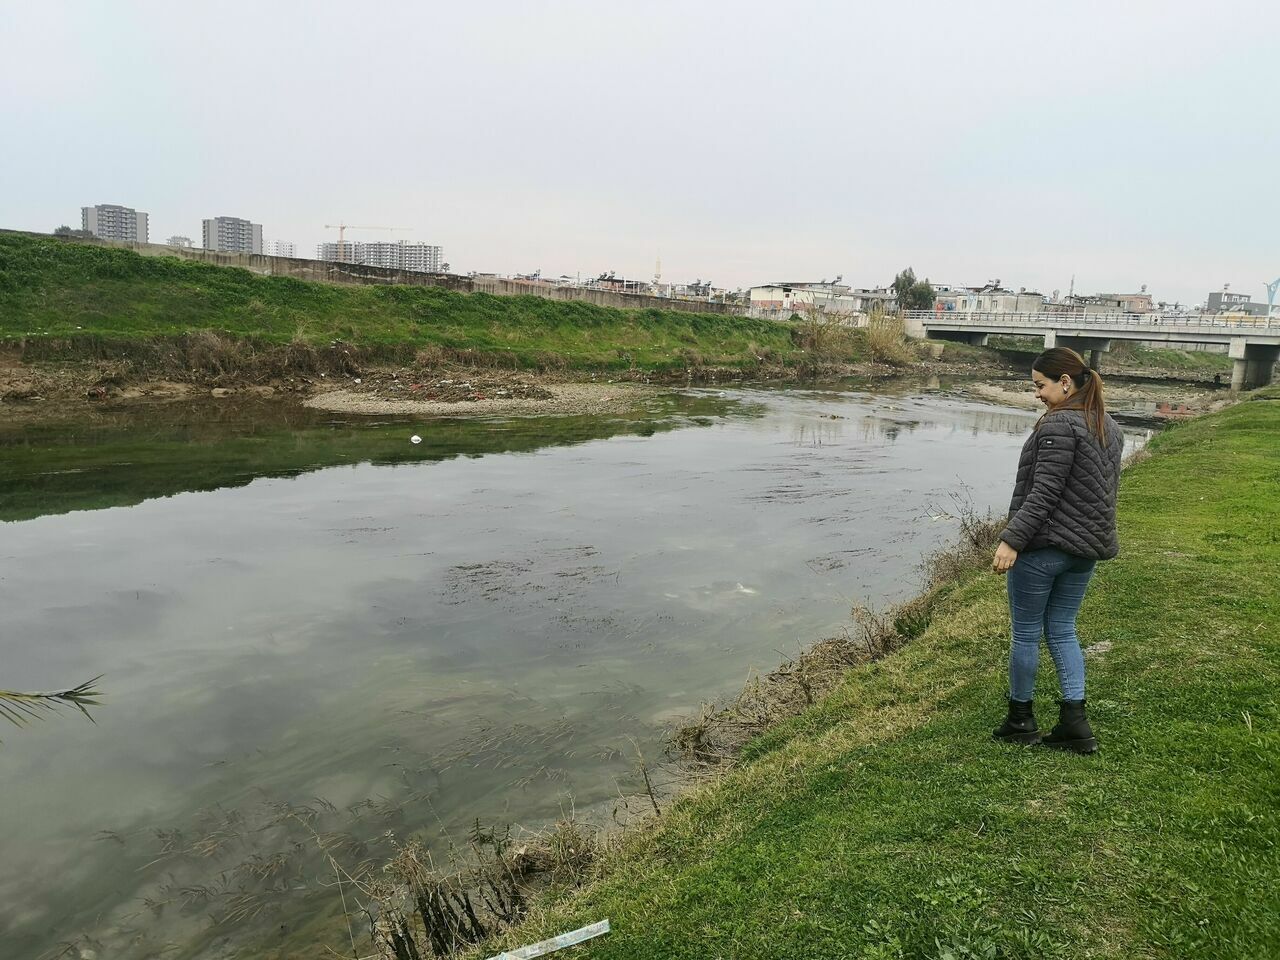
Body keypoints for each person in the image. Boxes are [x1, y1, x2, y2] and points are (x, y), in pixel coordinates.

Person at [990, 347, 1124, 754]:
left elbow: (1044, 492)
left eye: (1040, 385)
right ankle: (1074, 724)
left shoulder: (1058, 425)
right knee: (1063, 628)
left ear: (1065, 383)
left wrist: (1011, 540)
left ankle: (1020, 720)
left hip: (1044, 549)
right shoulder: (1108, 425)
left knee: (1026, 633)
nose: (1037, 394)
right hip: (1084, 552)